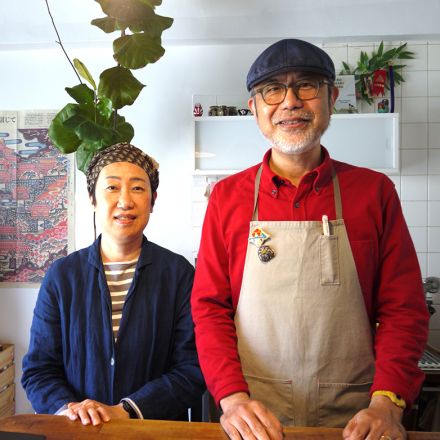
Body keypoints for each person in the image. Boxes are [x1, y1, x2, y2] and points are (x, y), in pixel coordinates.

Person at [191, 39, 430, 440]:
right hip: (255, 418)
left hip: (356, 419)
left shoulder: (374, 193)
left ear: (331, 98)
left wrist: (387, 403)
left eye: (306, 86)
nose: (290, 102)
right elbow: (209, 309)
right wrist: (232, 398)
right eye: (272, 89)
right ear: (254, 109)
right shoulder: (227, 198)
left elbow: (403, 308)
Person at [22, 142, 205, 426]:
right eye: (111, 188)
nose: (125, 201)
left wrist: (128, 410)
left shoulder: (178, 274)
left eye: (137, 188)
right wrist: (69, 408)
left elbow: (192, 368)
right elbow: (38, 369)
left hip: (154, 432)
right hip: (80, 432)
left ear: (152, 200)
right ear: (92, 198)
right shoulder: (63, 276)